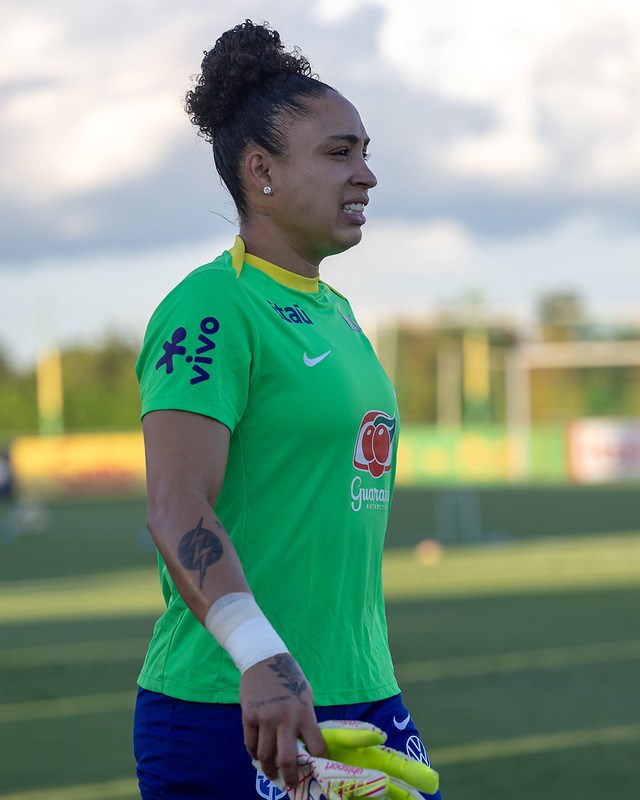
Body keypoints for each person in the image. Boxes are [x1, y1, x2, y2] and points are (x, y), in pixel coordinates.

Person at [133, 19, 442, 800]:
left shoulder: (337, 312)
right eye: (340, 153)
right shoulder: (213, 306)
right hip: (239, 702)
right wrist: (259, 655)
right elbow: (176, 504)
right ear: (261, 171)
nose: (366, 175)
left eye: (365, 152)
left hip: (359, 692)